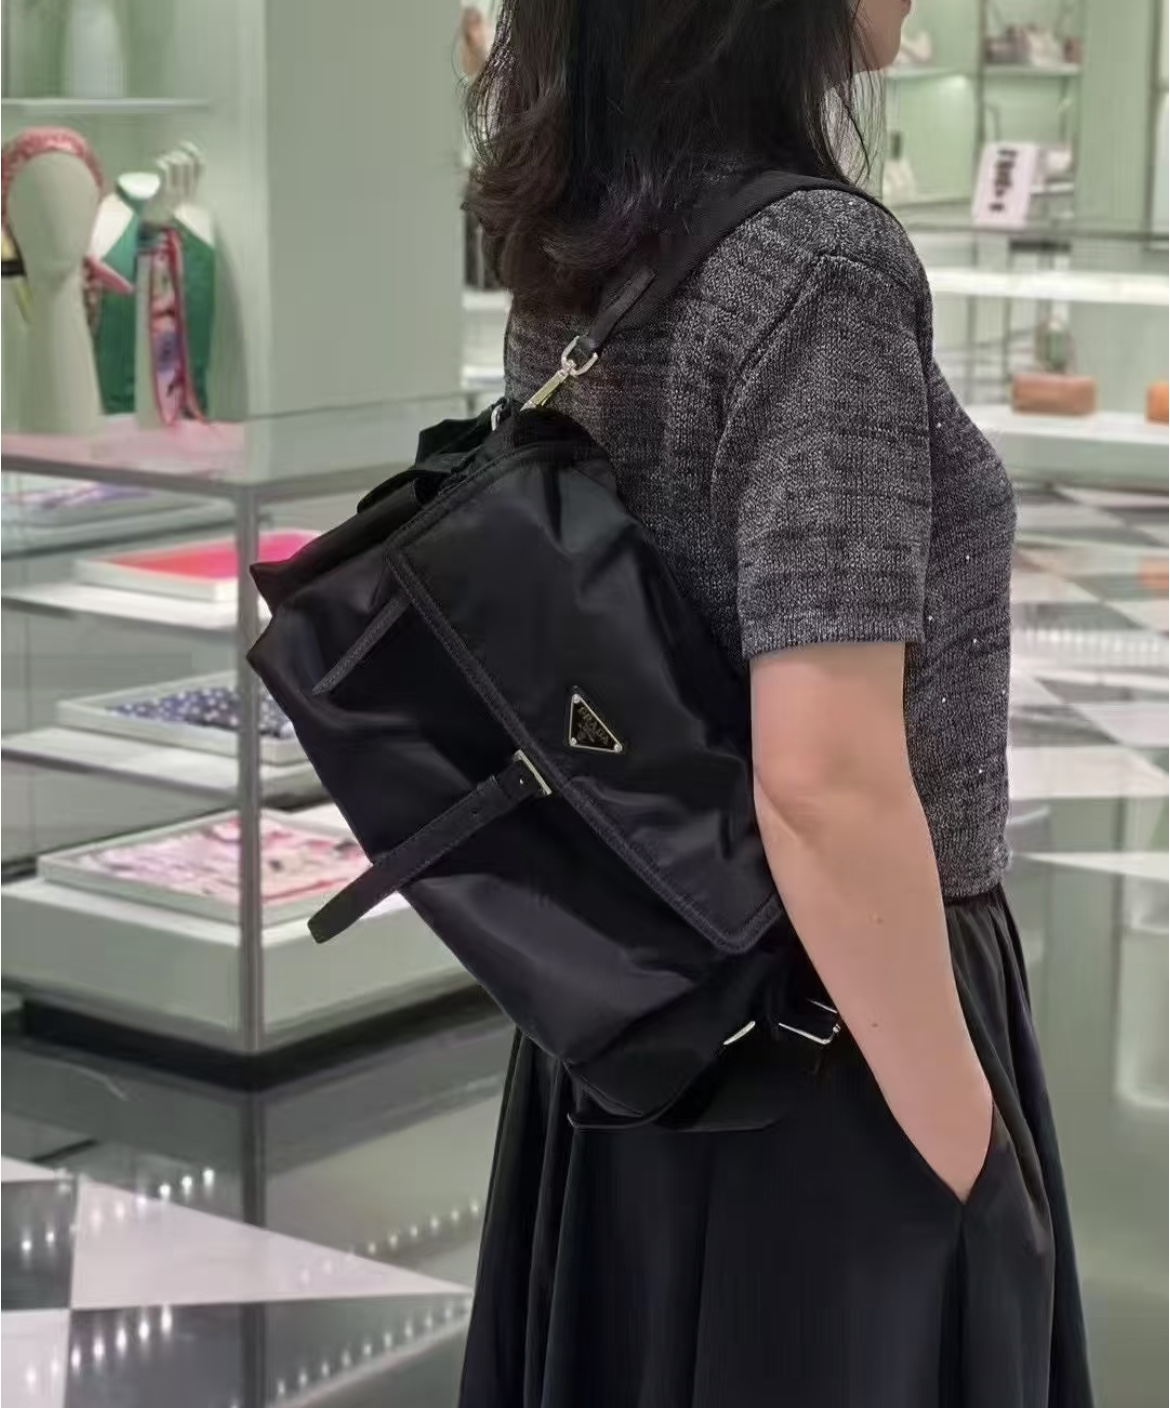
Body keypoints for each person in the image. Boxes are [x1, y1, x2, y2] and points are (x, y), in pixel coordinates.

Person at [459, 2, 1094, 1405]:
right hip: (836, 1031)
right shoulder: (819, 265)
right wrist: (968, 1147)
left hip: (642, 998)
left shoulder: (589, 245)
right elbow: (824, 782)